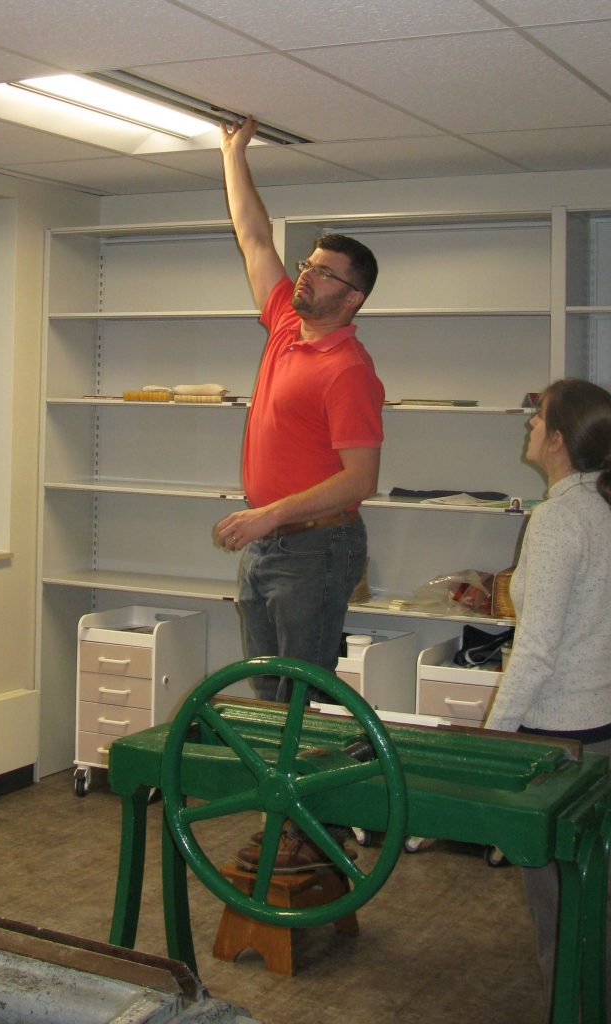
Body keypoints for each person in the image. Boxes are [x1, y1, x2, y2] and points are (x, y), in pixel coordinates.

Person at [214, 116, 384, 871]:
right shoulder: (284, 325)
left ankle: (307, 831)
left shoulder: (349, 370)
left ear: (352, 298)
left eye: (322, 273)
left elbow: (360, 479)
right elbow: (253, 237)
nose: (305, 275)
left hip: (313, 546)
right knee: (271, 697)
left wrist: (268, 516)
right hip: (269, 545)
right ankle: (300, 826)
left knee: (295, 709)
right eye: (308, 264)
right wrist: (232, 155)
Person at [485, 378, 611, 1024]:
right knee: (592, 888)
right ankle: (601, 1011)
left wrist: (495, 739)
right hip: (610, 722)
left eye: (535, 420)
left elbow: (535, 648)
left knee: (556, 902)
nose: (527, 426)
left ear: (556, 441)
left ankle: (575, 1014)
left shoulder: (558, 519)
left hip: (563, 737)